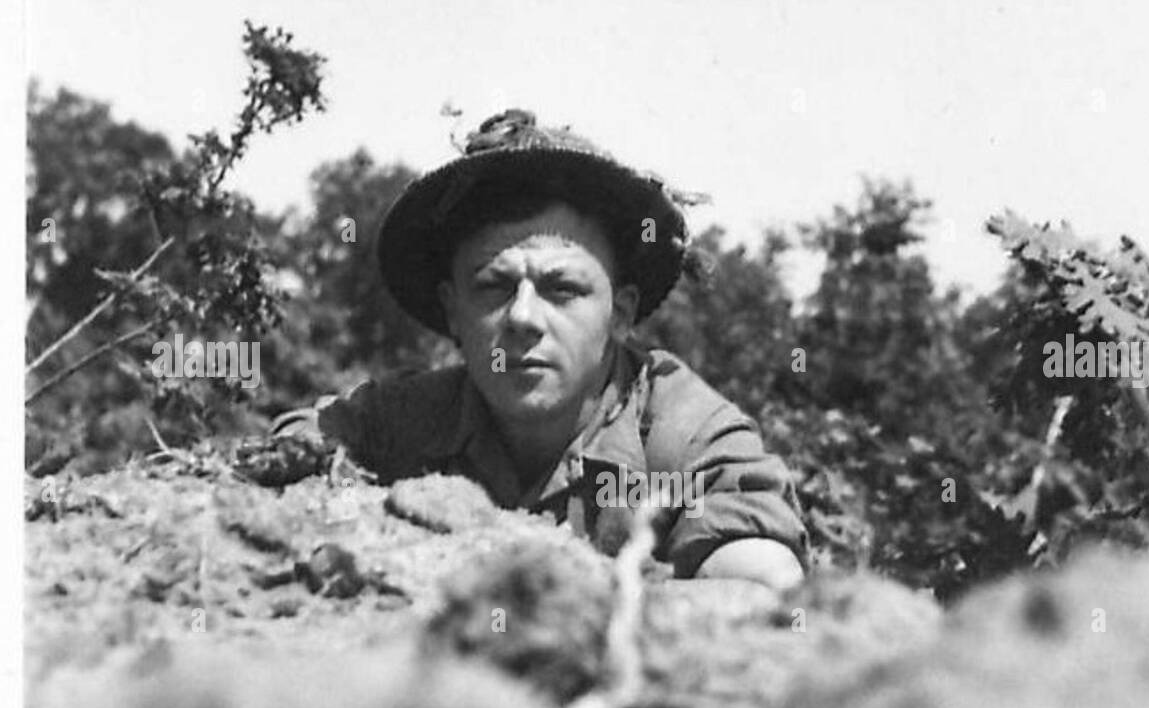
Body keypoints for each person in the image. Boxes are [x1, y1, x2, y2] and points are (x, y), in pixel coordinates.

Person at [274, 109, 808, 590]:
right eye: (492, 287)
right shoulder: (407, 419)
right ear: (453, 311)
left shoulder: (685, 436)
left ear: (619, 313)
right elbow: (291, 452)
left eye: (562, 290)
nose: (523, 318)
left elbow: (764, 590)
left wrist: (570, 598)